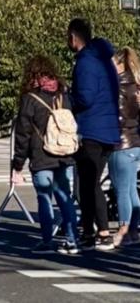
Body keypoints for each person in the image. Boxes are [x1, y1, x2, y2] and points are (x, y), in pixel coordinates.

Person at [12, 55, 79, 254]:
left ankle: (47, 241)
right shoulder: (63, 94)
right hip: (65, 152)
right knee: (64, 196)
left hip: (41, 155)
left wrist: (17, 164)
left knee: (44, 197)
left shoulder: (30, 99)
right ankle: (72, 239)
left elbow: (23, 134)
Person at [67, 18, 120, 251]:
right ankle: (93, 231)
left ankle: (99, 231)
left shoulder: (86, 62)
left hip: (91, 128)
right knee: (90, 183)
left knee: (88, 184)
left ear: (73, 37)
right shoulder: (105, 60)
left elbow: (85, 98)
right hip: (108, 127)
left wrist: (68, 99)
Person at [108, 47, 140, 247]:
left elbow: (118, 115)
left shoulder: (118, 86)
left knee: (121, 190)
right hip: (136, 142)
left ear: (119, 64)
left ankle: (124, 230)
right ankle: (134, 229)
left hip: (121, 142)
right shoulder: (136, 86)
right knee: (131, 190)